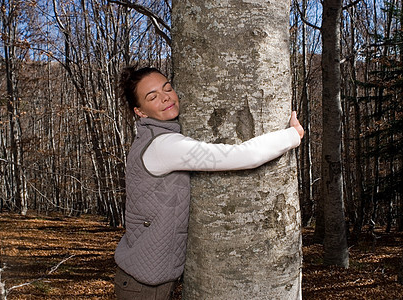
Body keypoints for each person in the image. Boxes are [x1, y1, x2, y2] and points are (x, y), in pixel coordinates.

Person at [114, 66, 304, 300]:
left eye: (168, 88)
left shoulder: (149, 139)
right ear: (140, 112)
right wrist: (291, 135)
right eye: (152, 97)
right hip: (142, 285)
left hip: (142, 274)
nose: (166, 98)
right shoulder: (164, 146)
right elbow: (240, 156)